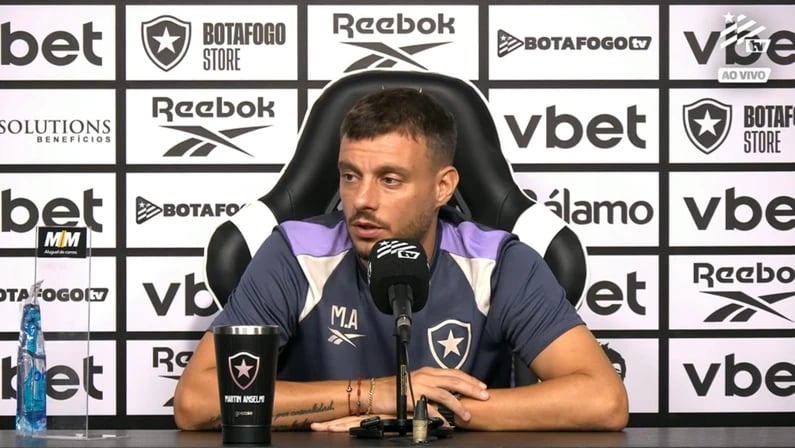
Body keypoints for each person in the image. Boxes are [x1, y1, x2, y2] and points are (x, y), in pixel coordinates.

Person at [173, 87, 628, 432]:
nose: (361, 200)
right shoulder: (295, 253)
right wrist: (373, 395)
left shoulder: (498, 263)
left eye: (390, 180)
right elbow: (196, 401)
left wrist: (422, 410)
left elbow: (603, 400)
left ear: (443, 187)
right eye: (350, 176)